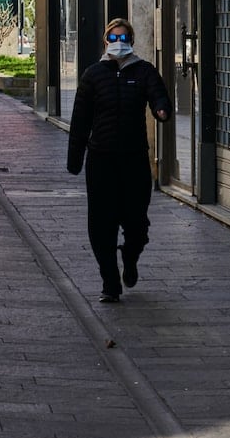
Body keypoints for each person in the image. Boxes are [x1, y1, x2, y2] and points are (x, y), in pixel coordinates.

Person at [66, 18, 172, 303]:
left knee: (137, 222)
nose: (119, 43)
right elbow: (80, 120)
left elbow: (158, 95)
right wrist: (74, 159)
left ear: (132, 41)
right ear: (105, 41)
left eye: (124, 38)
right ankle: (110, 283)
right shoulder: (93, 75)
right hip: (101, 160)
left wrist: (161, 110)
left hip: (134, 159)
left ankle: (131, 255)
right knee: (101, 224)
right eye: (113, 38)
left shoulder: (144, 71)